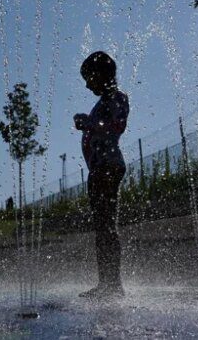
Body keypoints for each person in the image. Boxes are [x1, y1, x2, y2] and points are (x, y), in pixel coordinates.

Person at [74, 51, 129, 299]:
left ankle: (112, 285)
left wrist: (90, 124)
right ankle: (106, 283)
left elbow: (117, 127)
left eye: (89, 78)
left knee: (106, 226)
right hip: (99, 169)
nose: (87, 85)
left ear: (101, 75)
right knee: (102, 226)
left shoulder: (118, 98)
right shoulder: (102, 102)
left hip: (108, 167)